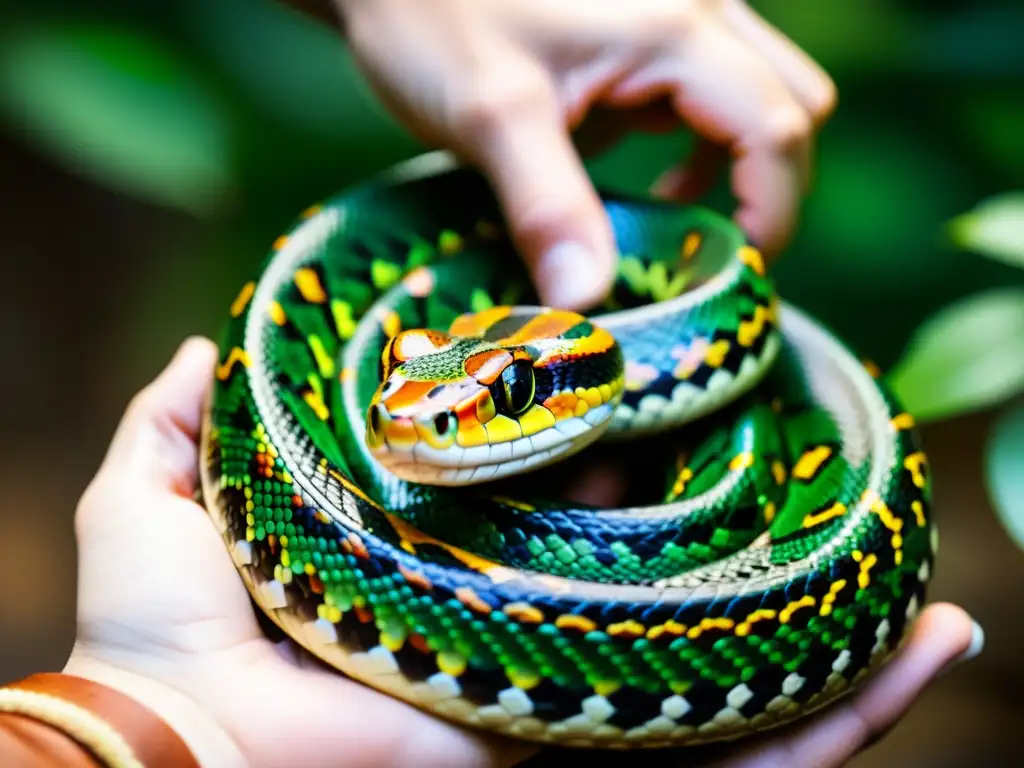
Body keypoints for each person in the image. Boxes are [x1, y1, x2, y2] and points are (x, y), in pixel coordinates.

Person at [0, 2, 981, 766]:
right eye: (399, 380)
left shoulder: (714, 321)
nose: (411, 418)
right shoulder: (382, 391)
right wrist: (179, 712)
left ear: (601, 376)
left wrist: (176, 724)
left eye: (507, 394)